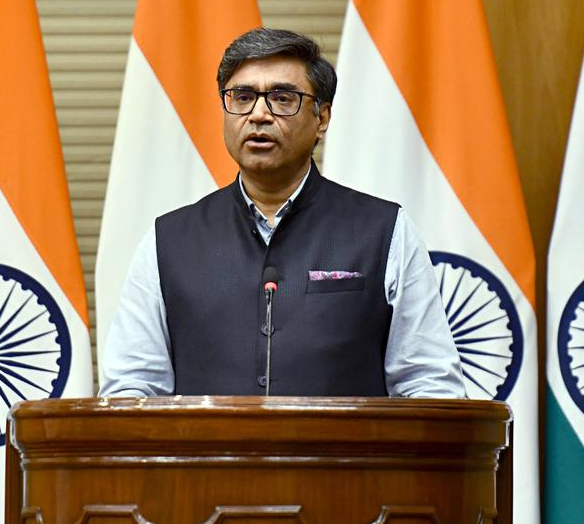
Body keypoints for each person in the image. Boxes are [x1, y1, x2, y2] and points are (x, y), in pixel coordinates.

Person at [99, 27, 465, 398]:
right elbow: (132, 388)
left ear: (322, 118)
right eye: (243, 97)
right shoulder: (169, 240)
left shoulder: (385, 231)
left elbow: (430, 385)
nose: (259, 114)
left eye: (282, 98)